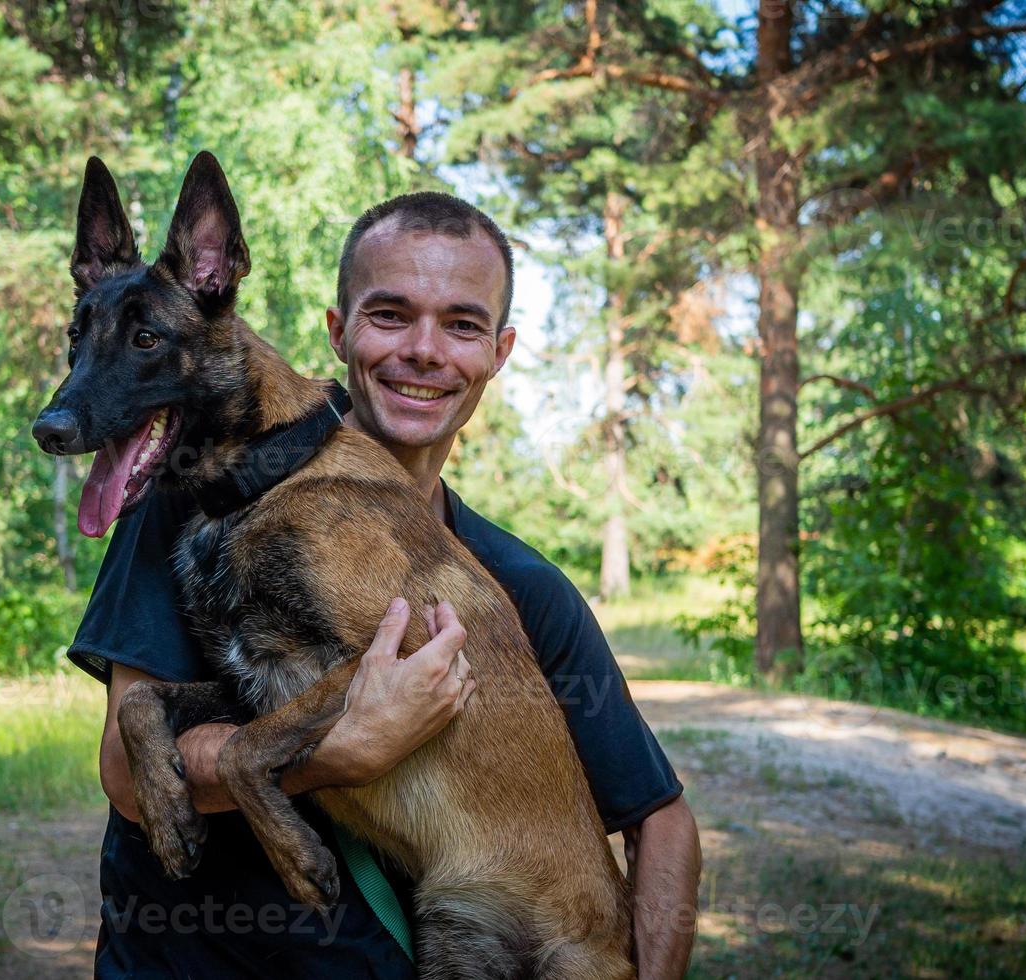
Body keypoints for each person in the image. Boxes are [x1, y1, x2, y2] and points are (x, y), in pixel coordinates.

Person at [67, 191, 702, 979]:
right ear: (339, 332)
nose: (426, 351)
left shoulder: (521, 586)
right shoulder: (195, 496)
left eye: (463, 325)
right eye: (391, 315)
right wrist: (339, 753)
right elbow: (131, 779)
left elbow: (661, 816)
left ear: (499, 352)